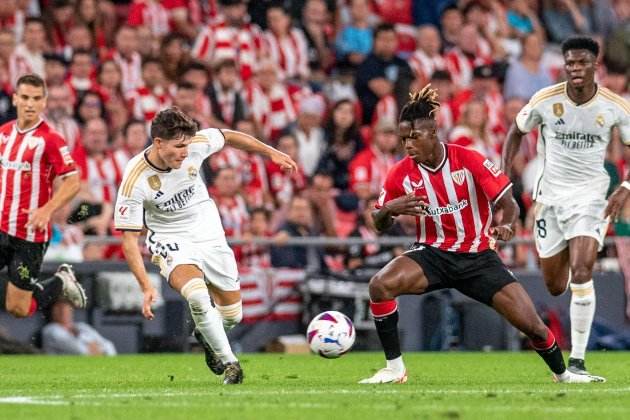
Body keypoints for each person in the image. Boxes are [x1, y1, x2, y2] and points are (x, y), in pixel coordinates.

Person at [359, 85, 604, 384]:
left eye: (414, 137)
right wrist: (389, 210)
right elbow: (378, 224)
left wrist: (508, 224)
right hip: (432, 254)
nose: (408, 145)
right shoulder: (400, 173)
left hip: (478, 259)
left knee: (534, 326)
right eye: (403, 139)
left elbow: (507, 202)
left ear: (433, 132)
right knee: (380, 286)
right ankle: (395, 369)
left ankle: (562, 374)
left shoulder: (468, 159)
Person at [114, 107, 297, 384]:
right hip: (170, 237)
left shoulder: (195, 144)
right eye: (178, 147)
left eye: (187, 146)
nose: (185, 153)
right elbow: (128, 240)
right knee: (198, 297)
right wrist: (146, 286)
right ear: (158, 143)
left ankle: (206, 335)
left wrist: (269, 152)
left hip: (209, 231)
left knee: (233, 316)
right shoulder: (135, 177)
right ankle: (231, 364)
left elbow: (229, 136)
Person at [502, 36, 630, 377]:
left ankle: (578, 362)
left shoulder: (614, 105)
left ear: (594, 66)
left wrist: (626, 187)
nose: (575, 69)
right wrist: (503, 181)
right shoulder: (545, 100)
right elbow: (515, 132)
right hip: (551, 200)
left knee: (583, 270)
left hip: (591, 198)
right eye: (569, 63)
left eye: (581, 63)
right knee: (555, 284)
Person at [0, 74, 86, 319]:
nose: (30, 104)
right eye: (25, 97)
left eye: (36, 99)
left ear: (43, 102)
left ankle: (59, 284)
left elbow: (73, 181)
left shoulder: (50, 139)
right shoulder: (3, 134)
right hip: (1, 227)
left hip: (29, 237)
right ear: (15, 98)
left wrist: (47, 210)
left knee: (18, 308)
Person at [42, 299, 117, 355]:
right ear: (53, 312)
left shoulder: (82, 326)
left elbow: (109, 346)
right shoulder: (50, 330)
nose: (63, 312)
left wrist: (96, 348)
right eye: (59, 309)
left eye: (67, 308)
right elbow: (78, 350)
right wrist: (94, 346)